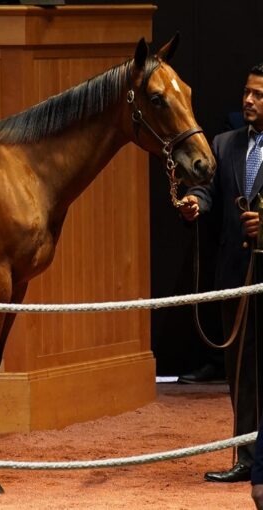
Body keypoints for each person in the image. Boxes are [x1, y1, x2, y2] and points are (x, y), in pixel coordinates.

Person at [178, 63, 263, 483]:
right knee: (241, 371)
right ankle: (247, 459)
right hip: (235, 276)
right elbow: (208, 188)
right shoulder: (225, 142)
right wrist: (196, 202)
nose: (248, 100)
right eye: (247, 92)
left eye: (259, 95)